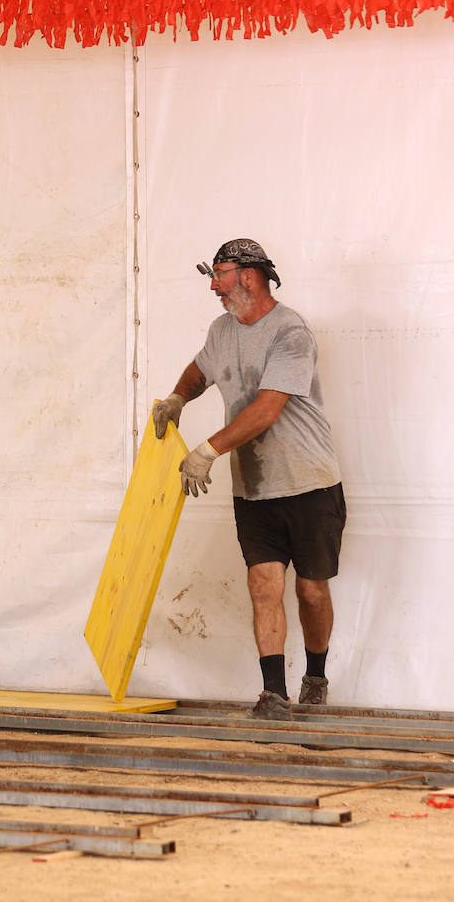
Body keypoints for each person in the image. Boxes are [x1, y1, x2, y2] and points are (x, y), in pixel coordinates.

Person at [152, 238, 345, 721]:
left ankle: (315, 677)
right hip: (255, 489)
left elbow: (266, 409)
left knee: (311, 591)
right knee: (263, 585)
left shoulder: (290, 332)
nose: (213, 287)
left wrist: (207, 450)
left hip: (309, 484)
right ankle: (274, 694)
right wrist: (177, 398)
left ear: (249, 276)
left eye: (219, 274)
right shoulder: (222, 330)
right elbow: (201, 370)